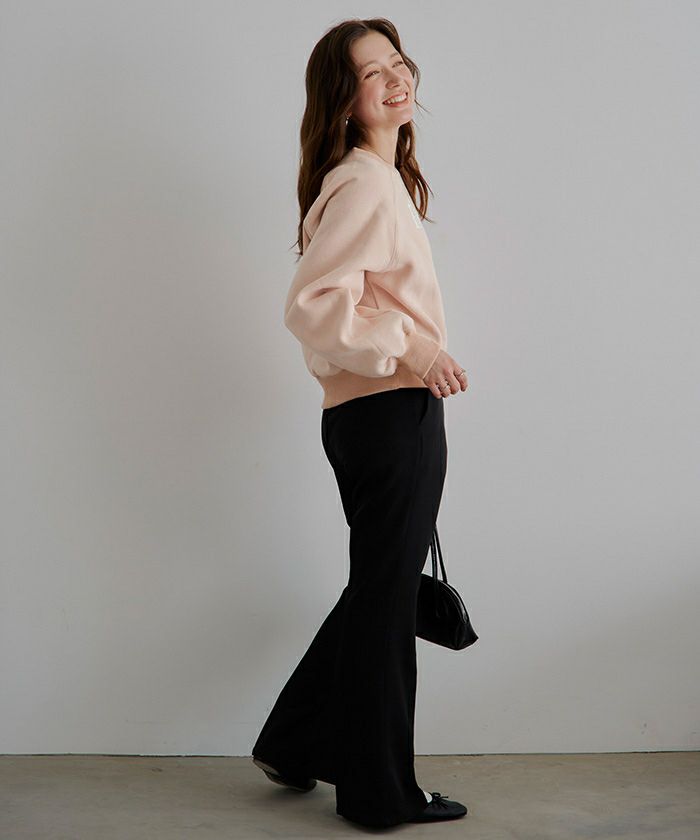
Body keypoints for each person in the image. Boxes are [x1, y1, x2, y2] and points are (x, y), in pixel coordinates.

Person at [251, 17, 470, 829]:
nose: (395, 78)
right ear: (344, 100)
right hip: (388, 411)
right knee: (385, 601)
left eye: (398, 62)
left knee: (379, 590)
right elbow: (312, 305)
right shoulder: (366, 184)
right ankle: (378, 793)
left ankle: (294, 740)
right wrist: (415, 347)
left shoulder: (373, 180)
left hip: (371, 412)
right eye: (372, 72)